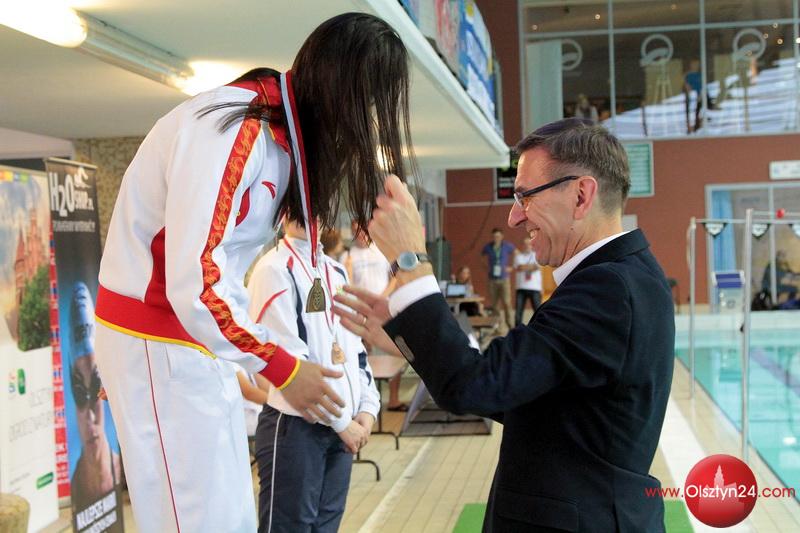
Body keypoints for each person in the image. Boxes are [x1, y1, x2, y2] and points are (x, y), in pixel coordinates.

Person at [93, 13, 416, 532]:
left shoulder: (280, 142)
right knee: (195, 521)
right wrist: (282, 367)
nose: (367, 124)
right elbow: (196, 280)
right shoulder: (232, 130)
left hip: (193, 343)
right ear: (341, 90)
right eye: (367, 106)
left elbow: (218, 274)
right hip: (159, 337)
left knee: (230, 518)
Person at [335, 118, 675, 532]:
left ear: (581, 195)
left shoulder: (607, 290)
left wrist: (411, 260)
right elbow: (523, 396)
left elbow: (472, 386)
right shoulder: (624, 276)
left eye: (525, 197)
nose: (515, 217)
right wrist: (410, 338)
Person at [248, 219, 380, 532]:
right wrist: (343, 424)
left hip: (341, 426)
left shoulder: (336, 270)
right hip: (296, 426)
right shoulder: (273, 269)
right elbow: (292, 366)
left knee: (326, 527)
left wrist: (368, 407)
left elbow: (353, 348)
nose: (310, 212)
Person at [68, 282, 122, 517]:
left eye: (95, 387)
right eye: (80, 393)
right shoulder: (76, 488)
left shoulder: (126, 469)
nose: (90, 415)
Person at [342, 222, 405, 411]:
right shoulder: (347, 256)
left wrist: (382, 298)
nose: (360, 234)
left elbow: (395, 277)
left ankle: (393, 399)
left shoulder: (382, 251)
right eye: (356, 231)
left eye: (363, 230)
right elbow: (344, 285)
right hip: (361, 311)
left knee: (392, 352)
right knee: (364, 354)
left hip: (384, 307)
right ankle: (366, 401)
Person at [481, 228, 516, 332]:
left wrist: (512, 267)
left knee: (507, 303)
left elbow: (517, 253)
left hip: (504, 279)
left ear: (502, 236)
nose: (496, 238)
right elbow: (481, 257)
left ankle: (511, 327)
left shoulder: (507, 246)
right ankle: (498, 328)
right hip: (492, 280)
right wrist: (486, 267)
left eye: (498, 236)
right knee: (495, 305)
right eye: (494, 236)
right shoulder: (488, 247)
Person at [513, 236, 541, 325]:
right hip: (521, 287)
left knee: (538, 311)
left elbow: (536, 267)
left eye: (529, 244)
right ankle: (517, 331)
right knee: (518, 313)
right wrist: (531, 266)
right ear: (522, 245)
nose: (527, 246)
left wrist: (525, 267)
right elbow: (519, 268)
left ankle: (538, 329)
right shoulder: (518, 256)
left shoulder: (537, 255)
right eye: (525, 244)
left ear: (532, 245)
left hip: (535, 288)